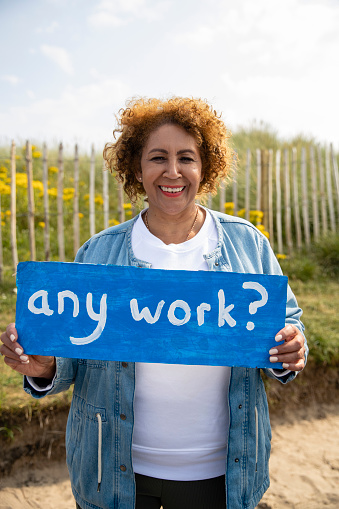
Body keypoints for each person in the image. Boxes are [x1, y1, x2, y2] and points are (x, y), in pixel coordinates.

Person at [0, 97, 307, 509]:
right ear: (136, 168)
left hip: (219, 472)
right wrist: (45, 367)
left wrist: (291, 346)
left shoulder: (247, 242)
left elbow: (285, 324)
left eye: (187, 157)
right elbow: (74, 351)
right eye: (157, 157)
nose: (173, 171)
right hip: (112, 470)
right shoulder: (98, 252)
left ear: (206, 167)